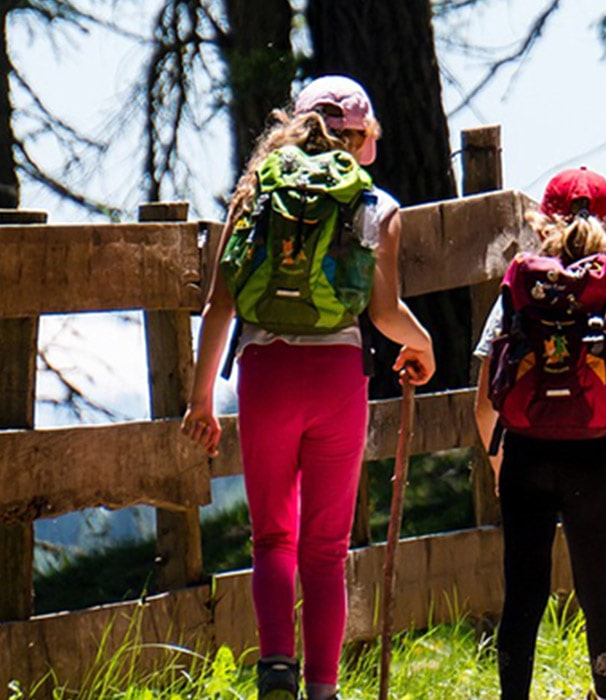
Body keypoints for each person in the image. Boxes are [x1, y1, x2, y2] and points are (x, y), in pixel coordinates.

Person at [180, 75, 435, 700]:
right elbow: (384, 314)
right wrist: (424, 344)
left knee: (273, 537)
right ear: (363, 139)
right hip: (336, 378)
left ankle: (275, 669)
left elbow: (219, 305)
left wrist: (200, 399)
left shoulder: (255, 194)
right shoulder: (377, 207)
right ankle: (323, 688)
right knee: (325, 548)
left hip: (266, 375)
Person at [473, 167, 606, 700]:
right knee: (596, 589)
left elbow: (485, 402)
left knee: (524, 593)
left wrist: (499, 468)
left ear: (542, 222)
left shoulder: (518, 293)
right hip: (592, 460)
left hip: (524, 457)